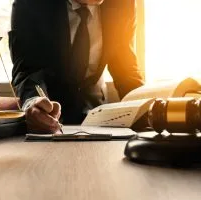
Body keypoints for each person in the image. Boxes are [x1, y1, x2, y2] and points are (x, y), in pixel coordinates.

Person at [9, 0, 144, 133]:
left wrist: (147, 108)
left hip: (98, 118)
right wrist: (33, 102)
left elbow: (125, 69)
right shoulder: (29, 4)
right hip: (49, 119)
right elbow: (27, 69)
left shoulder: (123, 3)